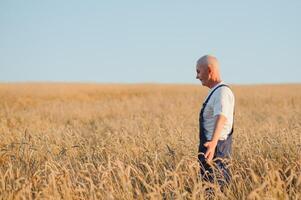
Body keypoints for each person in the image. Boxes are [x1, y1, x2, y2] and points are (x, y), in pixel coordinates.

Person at [195, 55, 235, 189]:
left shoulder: (222, 92)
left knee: (216, 189)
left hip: (217, 151)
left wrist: (212, 144)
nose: (197, 76)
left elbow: (222, 116)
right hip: (212, 149)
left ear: (209, 70)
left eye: (198, 71)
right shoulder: (215, 91)